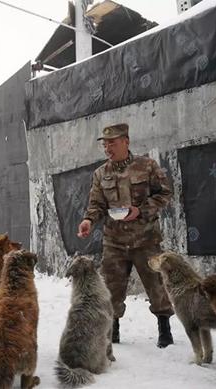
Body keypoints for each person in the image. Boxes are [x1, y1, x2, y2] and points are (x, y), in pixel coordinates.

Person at [77, 123, 175, 348]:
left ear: (126, 142)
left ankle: (164, 329)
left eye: (112, 142)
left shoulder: (147, 166)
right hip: (114, 242)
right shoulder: (101, 173)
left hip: (146, 239)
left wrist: (141, 210)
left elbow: (165, 193)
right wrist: (88, 221)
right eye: (105, 143)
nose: (107, 148)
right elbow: (96, 205)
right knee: (111, 287)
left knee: (156, 285)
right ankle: (113, 331)